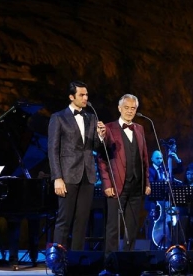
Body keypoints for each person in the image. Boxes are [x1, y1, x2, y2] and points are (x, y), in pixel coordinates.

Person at [48, 80, 106, 250]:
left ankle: (76, 260)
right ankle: (58, 259)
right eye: (81, 95)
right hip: (67, 175)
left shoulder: (91, 117)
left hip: (87, 175)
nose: (85, 98)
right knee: (64, 219)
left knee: (82, 220)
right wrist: (57, 178)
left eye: (86, 94)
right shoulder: (58, 117)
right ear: (71, 97)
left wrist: (101, 137)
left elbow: (96, 147)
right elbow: (53, 149)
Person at [96, 94, 151, 261]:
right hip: (116, 184)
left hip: (136, 185)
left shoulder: (140, 129)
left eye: (133, 108)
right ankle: (110, 261)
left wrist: (146, 182)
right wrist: (106, 184)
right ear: (119, 108)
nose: (129, 111)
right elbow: (102, 158)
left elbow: (144, 158)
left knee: (132, 225)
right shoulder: (109, 127)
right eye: (126, 107)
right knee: (113, 226)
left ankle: (128, 259)